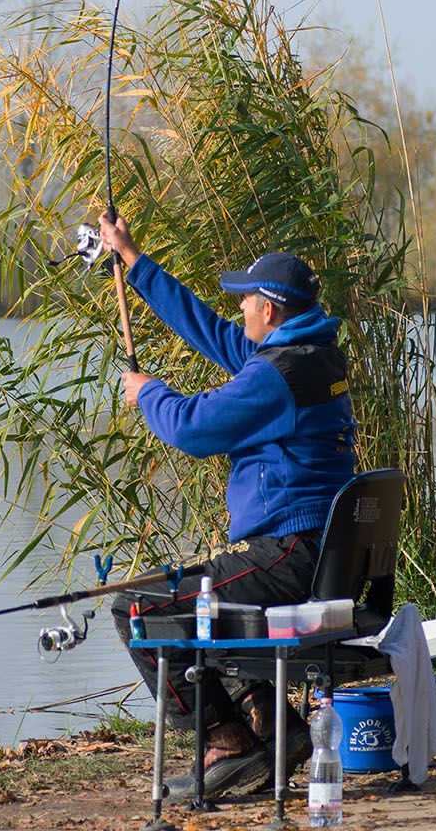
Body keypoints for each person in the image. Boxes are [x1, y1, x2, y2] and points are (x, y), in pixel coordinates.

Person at [97, 212, 357, 799]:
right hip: (314, 550)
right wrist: (134, 262)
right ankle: (275, 726)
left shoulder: (277, 377)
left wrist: (148, 393)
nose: (239, 309)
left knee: (137, 607)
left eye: (245, 300)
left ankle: (223, 741)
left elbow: (193, 428)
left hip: (288, 553)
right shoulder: (314, 353)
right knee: (194, 596)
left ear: (269, 309)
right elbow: (212, 333)